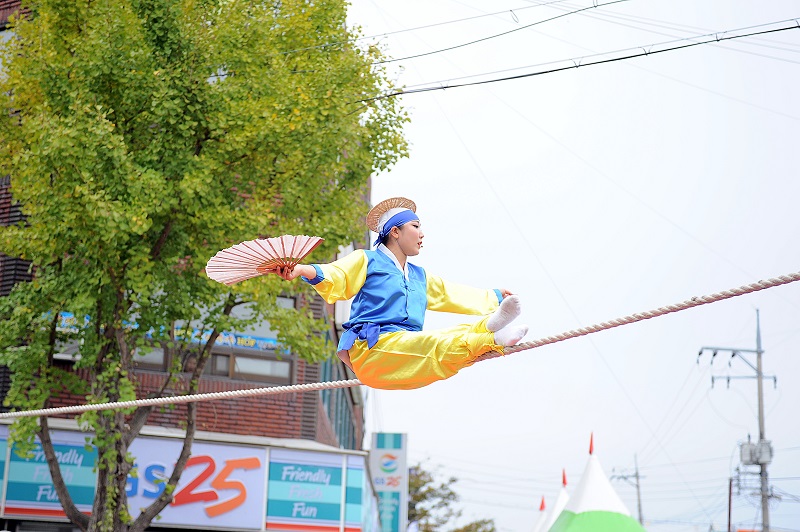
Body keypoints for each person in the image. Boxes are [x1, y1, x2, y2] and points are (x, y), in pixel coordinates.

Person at [275, 197, 528, 390]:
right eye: (415, 226)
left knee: (449, 336)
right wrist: (299, 270)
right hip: (373, 351)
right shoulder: (368, 260)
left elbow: (452, 293)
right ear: (395, 232)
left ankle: (490, 328)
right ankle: (493, 339)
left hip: (407, 353)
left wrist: (494, 296)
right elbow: (337, 275)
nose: (422, 234)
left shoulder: (419, 276)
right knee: (436, 344)